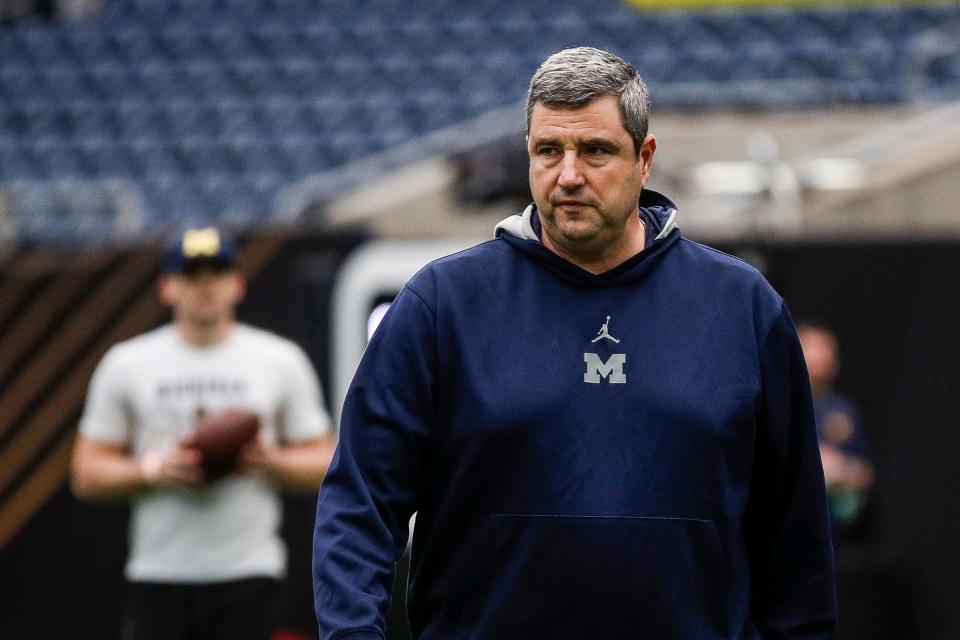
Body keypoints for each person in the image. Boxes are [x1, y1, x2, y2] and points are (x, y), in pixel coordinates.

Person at [313, 47, 836, 639]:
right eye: (547, 151)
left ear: (645, 158)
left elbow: (796, 538)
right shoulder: (442, 304)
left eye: (595, 151)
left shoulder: (742, 306)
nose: (567, 175)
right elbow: (359, 505)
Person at [72, 226, 335, 640]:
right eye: (192, 275)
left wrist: (267, 460)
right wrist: (153, 470)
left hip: (247, 570)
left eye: (217, 273)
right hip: (160, 571)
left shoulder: (278, 360)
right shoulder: (128, 363)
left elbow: (325, 464)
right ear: (166, 287)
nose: (205, 286)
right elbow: (86, 473)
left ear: (238, 284)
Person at [798, 322, 874, 540]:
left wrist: (840, 470)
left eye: (828, 349)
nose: (823, 356)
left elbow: (865, 474)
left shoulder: (843, 410)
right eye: (815, 347)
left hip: (830, 531)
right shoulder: (777, 406)